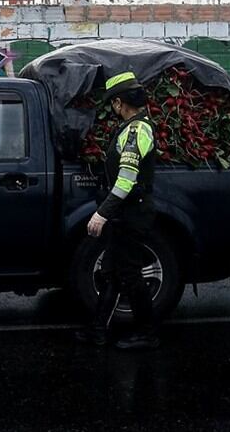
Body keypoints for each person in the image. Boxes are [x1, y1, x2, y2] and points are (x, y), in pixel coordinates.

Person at [76, 71, 159, 350]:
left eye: (113, 102)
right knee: (112, 271)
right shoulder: (129, 128)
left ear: (120, 103)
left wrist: (102, 213)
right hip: (125, 214)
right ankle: (98, 330)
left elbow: (126, 180)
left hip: (133, 214)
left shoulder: (137, 131)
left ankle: (147, 333)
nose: (112, 107)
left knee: (130, 274)